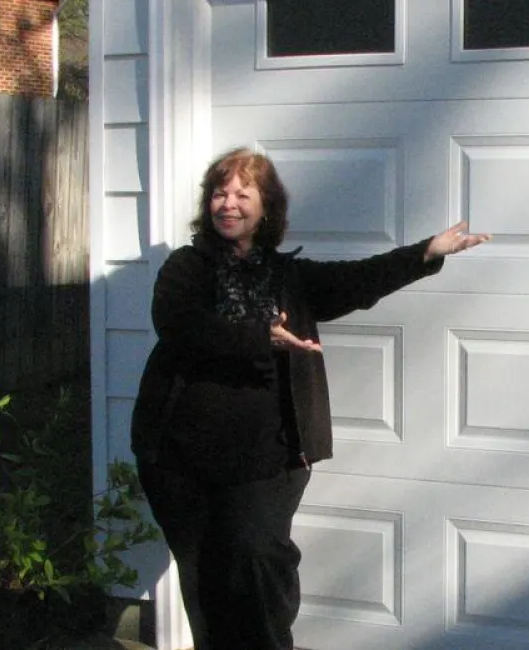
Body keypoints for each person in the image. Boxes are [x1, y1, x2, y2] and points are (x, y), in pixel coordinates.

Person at [130, 147, 489, 649]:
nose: (227, 204)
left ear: (266, 208)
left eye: (242, 193)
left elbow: (358, 279)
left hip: (270, 457)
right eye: (219, 192)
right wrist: (263, 338)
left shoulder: (289, 279)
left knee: (259, 562)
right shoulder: (186, 269)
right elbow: (179, 326)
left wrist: (425, 252)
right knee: (207, 580)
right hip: (184, 461)